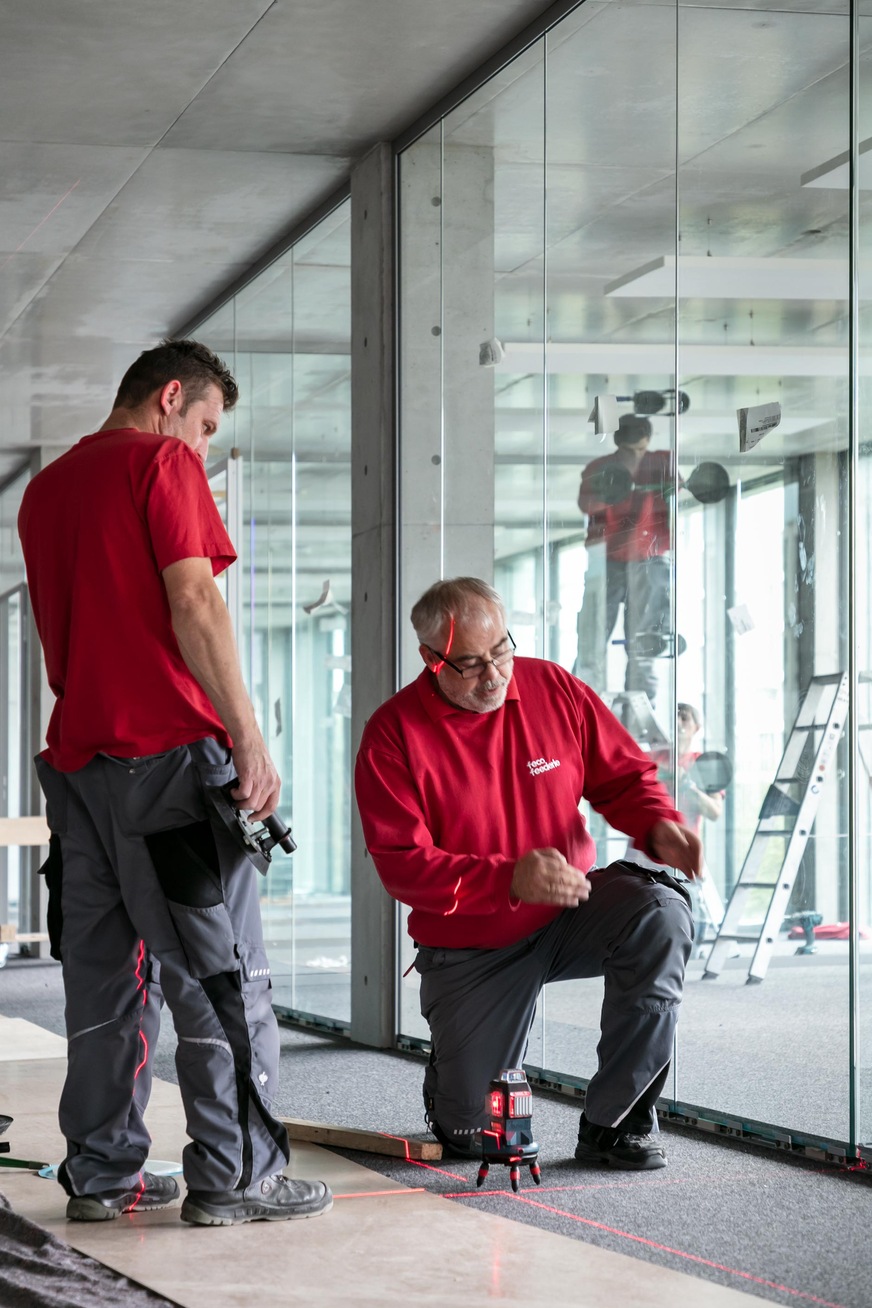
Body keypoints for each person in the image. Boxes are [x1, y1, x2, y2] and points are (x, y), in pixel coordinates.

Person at [17, 340, 332, 1227]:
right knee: (224, 977)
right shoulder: (160, 463)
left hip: (80, 773)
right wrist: (248, 735)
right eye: (204, 425)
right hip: (170, 768)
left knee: (104, 980)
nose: (201, 445)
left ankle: (102, 1172)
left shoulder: (46, 491)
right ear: (168, 399)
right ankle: (239, 1177)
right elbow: (193, 601)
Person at [355, 577, 702, 1171]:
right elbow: (403, 867)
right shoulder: (392, 736)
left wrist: (658, 823)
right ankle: (452, 1083)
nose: (493, 675)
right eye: (469, 664)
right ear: (430, 659)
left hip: (571, 909)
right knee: (471, 1135)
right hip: (472, 943)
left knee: (660, 914)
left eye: (502, 651)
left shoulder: (552, 688)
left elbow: (622, 778)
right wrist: (508, 880)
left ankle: (616, 1124)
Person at [575, 414, 676, 707]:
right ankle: (578, 706)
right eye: (631, 451)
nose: (638, 456)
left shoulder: (662, 462)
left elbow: (678, 493)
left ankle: (642, 713)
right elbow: (586, 504)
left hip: (650, 559)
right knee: (592, 640)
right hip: (606, 560)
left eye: (642, 450)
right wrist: (616, 489)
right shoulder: (598, 468)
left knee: (644, 644)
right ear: (618, 445)